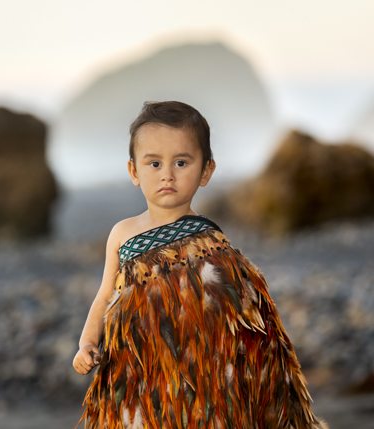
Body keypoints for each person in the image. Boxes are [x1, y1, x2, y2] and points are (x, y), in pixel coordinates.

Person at [72, 101, 327, 429]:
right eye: (154, 163)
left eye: (181, 162)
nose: (167, 174)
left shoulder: (212, 241)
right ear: (134, 171)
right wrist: (87, 343)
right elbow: (105, 295)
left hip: (202, 382)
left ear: (206, 170)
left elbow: (247, 320)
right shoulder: (122, 234)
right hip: (141, 370)